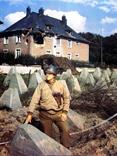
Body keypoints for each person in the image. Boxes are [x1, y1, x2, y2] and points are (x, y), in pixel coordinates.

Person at [25, 65, 70, 148]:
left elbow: (67, 98)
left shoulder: (60, 85)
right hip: (45, 115)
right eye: (46, 73)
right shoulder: (41, 85)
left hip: (58, 113)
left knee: (65, 130)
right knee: (47, 136)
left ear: (54, 75)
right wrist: (30, 114)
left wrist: (64, 112)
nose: (47, 75)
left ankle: (65, 149)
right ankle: (49, 151)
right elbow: (34, 99)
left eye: (49, 74)